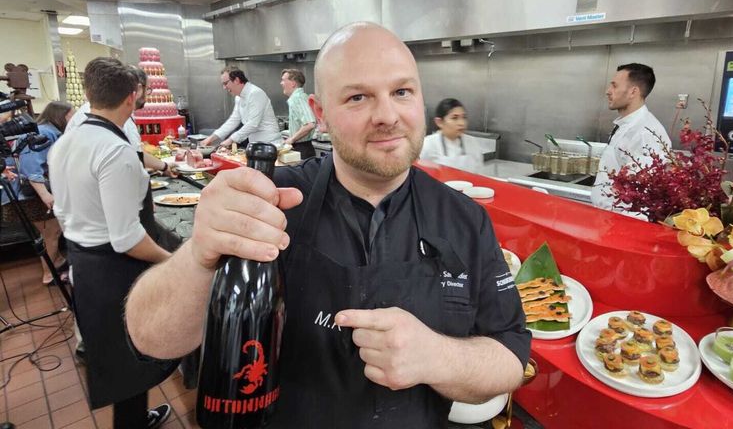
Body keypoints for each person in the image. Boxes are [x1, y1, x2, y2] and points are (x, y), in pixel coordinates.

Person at [125, 22, 530, 428]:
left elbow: (511, 358)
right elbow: (150, 339)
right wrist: (198, 256)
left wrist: (437, 357)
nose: (387, 115)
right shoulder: (269, 202)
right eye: (358, 97)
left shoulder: (465, 219)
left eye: (402, 92)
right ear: (320, 113)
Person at [48, 57, 174, 429]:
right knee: (130, 354)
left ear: (88, 94)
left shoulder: (70, 140)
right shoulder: (114, 150)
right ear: (133, 96)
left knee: (115, 354)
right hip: (114, 268)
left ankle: (133, 419)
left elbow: (62, 209)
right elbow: (128, 239)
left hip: (85, 262)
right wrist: (172, 261)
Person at [1, 101, 72, 285]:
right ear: (61, 116)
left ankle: (57, 261)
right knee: (52, 231)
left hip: (23, 193)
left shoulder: (44, 129)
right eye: (72, 115)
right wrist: (46, 195)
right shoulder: (45, 132)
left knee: (51, 231)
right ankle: (49, 274)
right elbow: (31, 165)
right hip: (28, 194)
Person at [66, 67, 177, 179]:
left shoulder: (85, 113)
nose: (147, 96)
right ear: (137, 90)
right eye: (147, 90)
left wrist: (163, 166)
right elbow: (134, 156)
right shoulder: (116, 115)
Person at [591, 63, 671, 214]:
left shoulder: (645, 133)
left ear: (633, 92)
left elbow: (640, 198)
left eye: (614, 86)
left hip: (619, 223)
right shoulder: (627, 124)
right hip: (606, 218)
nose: (608, 91)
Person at [200, 66, 282, 148]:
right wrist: (211, 138)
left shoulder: (255, 93)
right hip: (256, 145)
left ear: (236, 80)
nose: (224, 88)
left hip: (270, 144)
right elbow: (233, 120)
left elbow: (253, 124)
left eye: (225, 83)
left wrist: (231, 140)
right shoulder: (239, 97)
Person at [420, 98, 486, 173]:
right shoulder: (428, 144)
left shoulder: (472, 143)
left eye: (464, 117)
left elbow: (480, 174)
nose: (461, 123)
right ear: (439, 122)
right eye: (454, 118)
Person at [280, 68, 317, 159]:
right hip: (303, 147)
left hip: (303, 148)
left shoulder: (297, 98)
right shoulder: (301, 96)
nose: (281, 83)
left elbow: (310, 124)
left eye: (283, 80)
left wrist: (292, 139)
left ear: (293, 83)